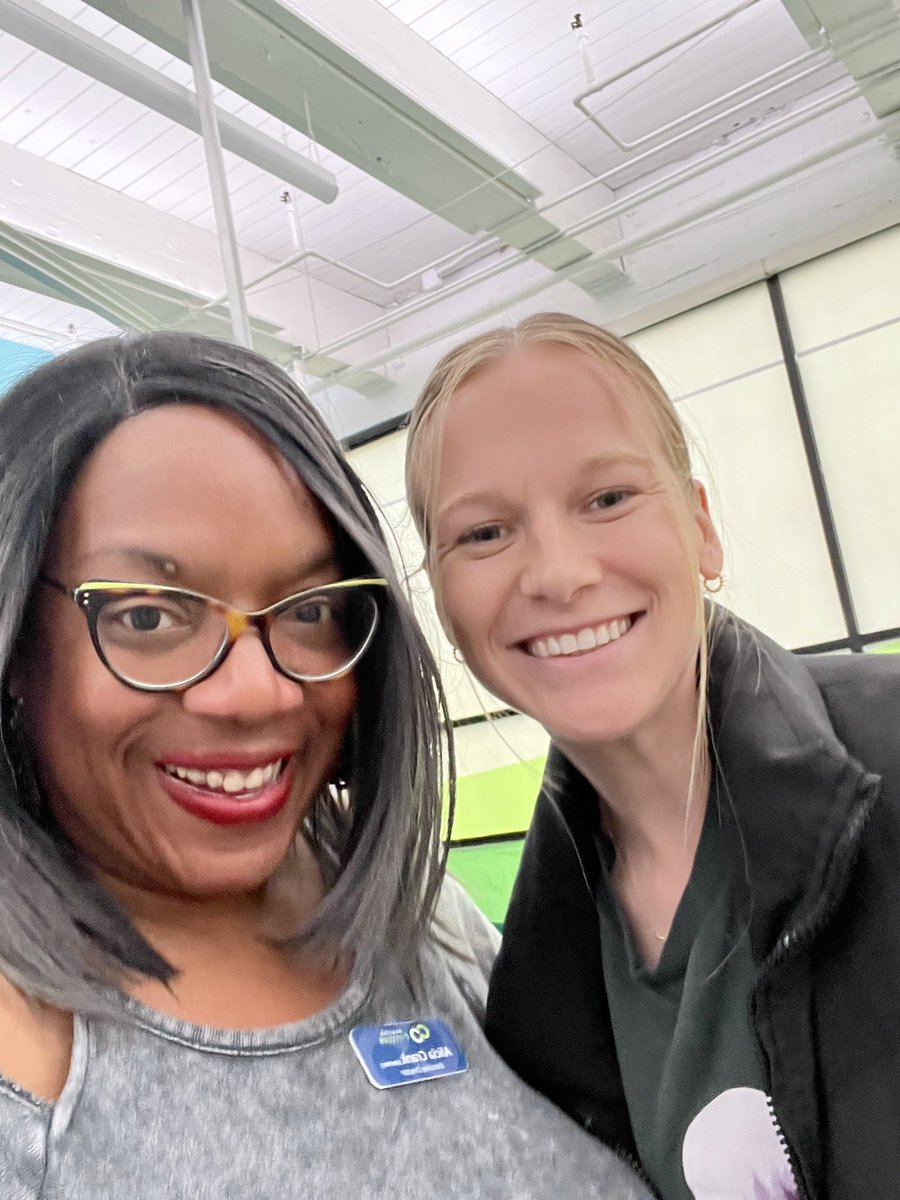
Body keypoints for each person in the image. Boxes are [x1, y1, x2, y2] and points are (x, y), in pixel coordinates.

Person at [0, 331, 651, 1200]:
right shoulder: (25, 1057)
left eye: (308, 609)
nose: (256, 693)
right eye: (150, 619)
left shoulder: (408, 911)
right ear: (13, 650)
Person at [405, 311, 900, 1200]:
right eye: (484, 533)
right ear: (444, 607)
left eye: (608, 498)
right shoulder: (534, 996)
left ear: (701, 528)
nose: (557, 572)